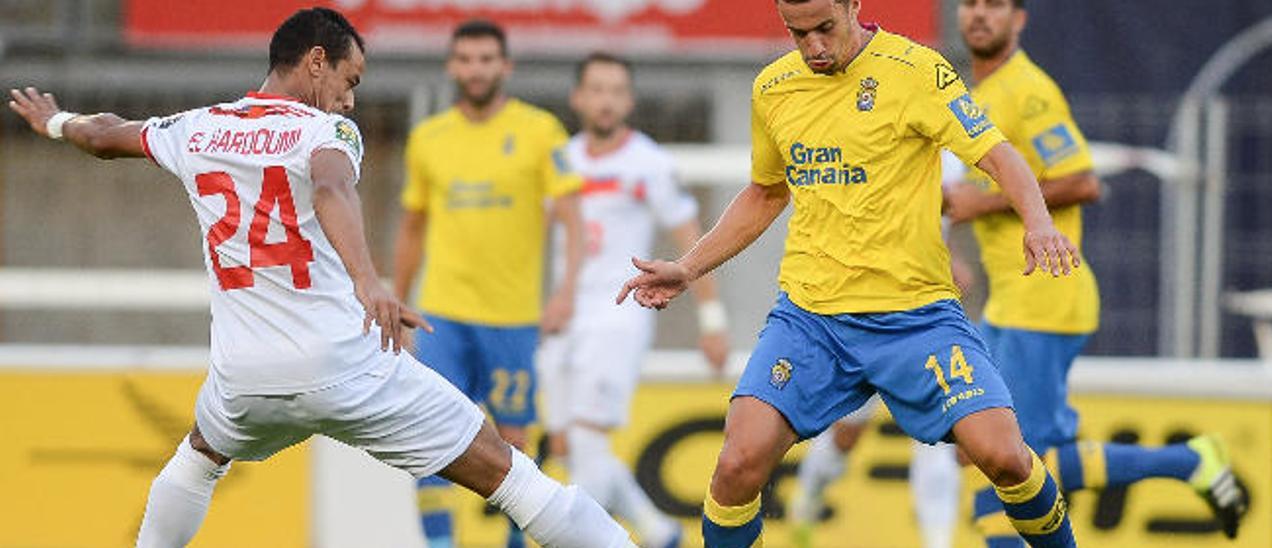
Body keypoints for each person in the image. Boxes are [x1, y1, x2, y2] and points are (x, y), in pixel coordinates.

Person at [6, 8, 631, 548]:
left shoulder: (197, 127)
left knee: (199, 457)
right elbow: (332, 185)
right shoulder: (323, 130)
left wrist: (56, 123)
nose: (350, 98)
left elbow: (106, 135)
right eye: (349, 80)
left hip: (243, 376)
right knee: (512, 473)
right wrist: (368, 280)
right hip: (343, 363)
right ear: (315, 62)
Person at [618, 0, 1086, 545]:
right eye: (798, 33)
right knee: (736, 464)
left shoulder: (919, 71)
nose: (814, 47)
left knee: (1006, 458)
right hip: (813, 318)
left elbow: (1000, 155)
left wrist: (1038, 223)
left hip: (917, 317)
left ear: (853, 7)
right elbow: (766, 192)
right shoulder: (773, 88)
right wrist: (687, 267)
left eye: (825, 28)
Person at [944, 0, 1248, 544]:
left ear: (1019, 19)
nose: (979, 15)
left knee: (1012, 467)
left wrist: (980, 204)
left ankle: (1187, 463)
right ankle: (1189, 462)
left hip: (1046, 296)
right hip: (1010, 301)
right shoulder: (978, 95)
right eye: (970, 4)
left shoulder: (1028, 91)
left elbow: (1082, 181)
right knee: (984, 451)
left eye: (995, 5)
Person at [392, 19, 587, 548]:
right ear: (452, 66)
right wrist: (394, 302)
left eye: (486, 59)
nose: (475, 69)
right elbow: (413, 226)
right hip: (442, 314)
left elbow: (571, 217)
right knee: (428, 434)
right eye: (466, 59)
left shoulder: (541, 130)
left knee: (514, 447)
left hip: (513, 318)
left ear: (506, 66)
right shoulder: (428, 138)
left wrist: (566, 290)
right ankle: (439, 544)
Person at [537, 52, 731, 548]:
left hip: (618, 315)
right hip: (563, 316)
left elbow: (690, 236)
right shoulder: (561, 158)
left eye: (617, 91)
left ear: (630, 100)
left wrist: (711, 320)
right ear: (579, 98)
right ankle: (659, 532)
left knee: (585, 440)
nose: (607, 101)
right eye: (597, 89)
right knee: (564, 445)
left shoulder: (648, 162)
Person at [788, 152, 971, 548]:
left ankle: (938, 543)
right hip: (863, 313)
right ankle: (807, 500)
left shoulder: (952, 152)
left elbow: (936, 222)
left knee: (939, 435)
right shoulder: (871, 134)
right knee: (846, 434)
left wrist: (949, 259)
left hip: (926, 316)